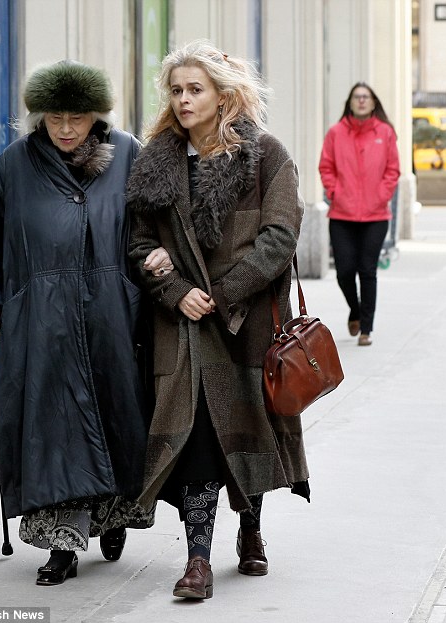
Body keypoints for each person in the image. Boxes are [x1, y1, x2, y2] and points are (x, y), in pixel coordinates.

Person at [0, 61, 167, 586]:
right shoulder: (15, 163)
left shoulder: (126, 155)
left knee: (117, 420)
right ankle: (60, 545)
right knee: (51, 430)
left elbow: (155, 224)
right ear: (40, 118)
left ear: (96, 116)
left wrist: (156, 268)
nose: (66, 128)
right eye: (55, 118)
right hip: (40, 323)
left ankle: (115, 517)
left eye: (77, 117)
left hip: (112, 319)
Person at [126, 40, 310, 601]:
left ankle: (250, 529)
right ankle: (197, 560)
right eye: (176, 90)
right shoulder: (156, 161)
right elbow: (136, 243)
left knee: (249, 432)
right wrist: (173, 288)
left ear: (223, 94)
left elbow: (279, 237)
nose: (183, 100)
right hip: (181, 329)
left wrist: (221, 292)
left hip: (248, 322)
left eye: (194, 89)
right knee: (199, 440)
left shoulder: (266, 155)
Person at [319, 82, 400, 346]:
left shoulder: (385, 133)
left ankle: (366, 328)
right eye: (357, 97)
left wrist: (381, 195)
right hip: (342, 214)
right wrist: (335, 192)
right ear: (350, 102)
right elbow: (326, 167)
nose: (362, 101)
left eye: (366, 97)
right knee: (344, 271)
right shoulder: (336, 133)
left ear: (373, 102)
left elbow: (393, 170)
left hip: (376, 216)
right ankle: (354, 309)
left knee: (367, 270)